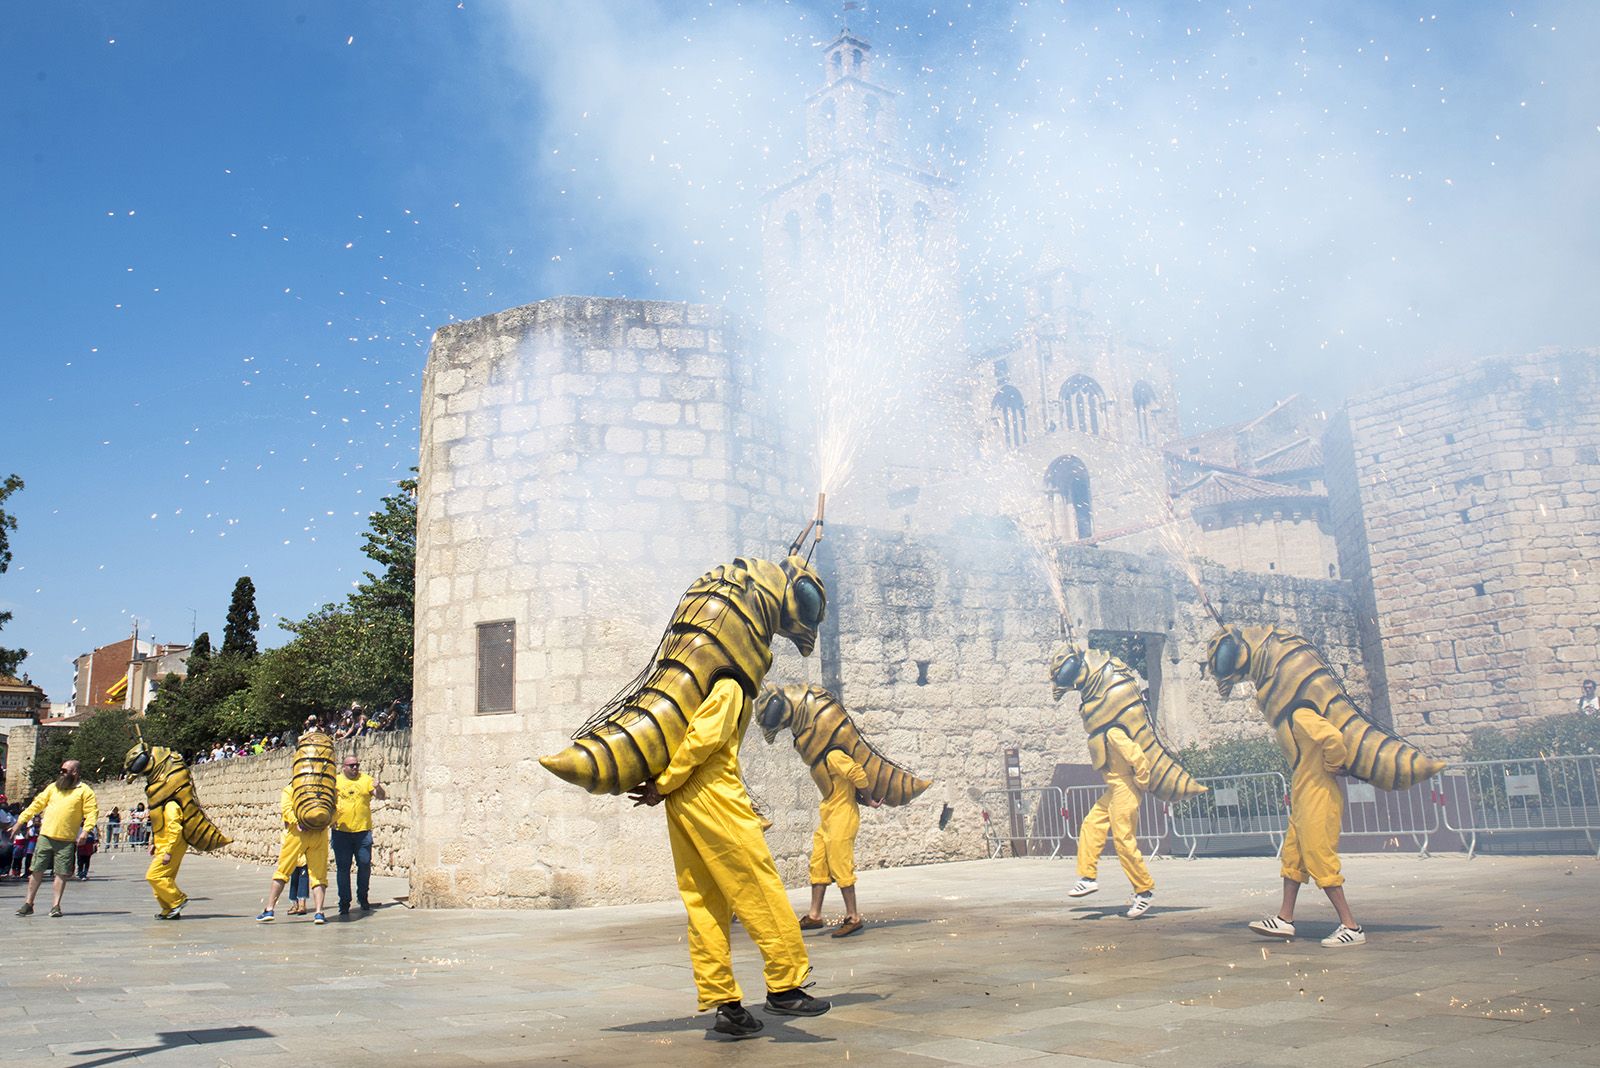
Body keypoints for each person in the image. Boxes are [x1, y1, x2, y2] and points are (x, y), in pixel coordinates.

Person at [629, 677, 830, 1037]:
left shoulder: (689, 684)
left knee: (704, 903)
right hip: (715, 797)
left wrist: (665, 786)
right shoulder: (729, 683)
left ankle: (726, 1004)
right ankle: (785, 986)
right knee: (759, 888)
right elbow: (703, 740)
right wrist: (664, 783)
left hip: (681, 803)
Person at [1248, 707, 1365, 947]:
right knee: (1293, 857)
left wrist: (1333, 765)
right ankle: (1285, 918)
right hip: (1304, 797)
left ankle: (1351, 926)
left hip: (1319, 796)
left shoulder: (1300, 714)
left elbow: (1333, 737)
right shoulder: (1291, 718)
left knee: (1319, 858)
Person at [1065, 728, 1156, 918]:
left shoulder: (1113, 733)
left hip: (1125, 788)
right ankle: (1088, 878)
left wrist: (1142, 782)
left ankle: (1144, 891)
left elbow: (1136, 755)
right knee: (1091, 824)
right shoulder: (1102, 734)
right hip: (1114, 789)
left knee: (1123, 840)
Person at [798, 747, 880, 938]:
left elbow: (857, 773)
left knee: (840, 864)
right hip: (828, 817)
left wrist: (869, 800)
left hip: (842, 817)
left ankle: (853, 917)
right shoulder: (821, 758)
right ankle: (814, 916)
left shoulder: (834, 755)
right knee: (818, 864)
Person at [14, 760, 99, 918]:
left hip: (66, 840)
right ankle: (28, 903)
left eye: (65, 770)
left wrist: (86, 831)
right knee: (36, 870)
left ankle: (56, 906)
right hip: (46, 836)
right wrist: (21, 821)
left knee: (61, 873)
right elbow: (37, 804)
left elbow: (91, 812)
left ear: (75, 772)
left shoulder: (84, 791)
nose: (61, 773)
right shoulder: (53, 787)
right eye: (61, 770)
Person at [256, 781, 329, 925]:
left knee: (283, 871)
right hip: (319, 834)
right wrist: (325, 822)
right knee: (318, 875)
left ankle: (269, 909)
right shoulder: (323, 789)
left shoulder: (290, 789)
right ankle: (319, 913)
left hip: (297, 834)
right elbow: (335, 808)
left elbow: (287, 809)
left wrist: (298, 822)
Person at [331, 754, 386, 915]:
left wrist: (378, 787)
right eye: (351, 765)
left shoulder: (366, 780)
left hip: (362, 831)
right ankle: (344, 902)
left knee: (364, 864)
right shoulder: (335, 781)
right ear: (344, 767)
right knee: (343, 868)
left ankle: (363, 897)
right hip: (341, 832)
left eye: (357, 765)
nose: (355, 768)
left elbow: (381, 796)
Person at [146, 797, 189, 919]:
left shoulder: (170, 806)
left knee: (154, 876)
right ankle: (169, 909)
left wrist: (169, 852)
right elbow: (161, 828)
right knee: (164, 879)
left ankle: (178, 900)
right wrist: (154, 843)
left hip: (171, 848)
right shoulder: (162, 807)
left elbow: (176, 830)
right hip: (163, 847)